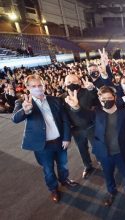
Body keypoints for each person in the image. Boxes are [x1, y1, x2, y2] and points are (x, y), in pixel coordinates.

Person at [66, 86, 125, 206]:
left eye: (109, 98)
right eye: (103, 98)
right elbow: (83, 114)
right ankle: (111, 192)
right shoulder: (96, 112)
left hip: (121, 151)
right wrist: (76, 106)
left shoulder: (124, 112)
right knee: (108, 174)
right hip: (104, 153)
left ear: (114, 97)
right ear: (99, 99)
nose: (106, 100)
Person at [11, 74, 78, 203]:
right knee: (48, 169)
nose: (38, 88)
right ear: (28, 88)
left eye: (40, 85)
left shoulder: (55, 100)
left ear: (44, 85)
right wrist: (24, 111)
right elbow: (15, 119)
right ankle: (53, 189)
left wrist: (66, 138)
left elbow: (65, 120)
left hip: (59, 141)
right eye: (34, 86)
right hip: (42, 145)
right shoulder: (22, 102)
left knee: (63, 164)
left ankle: (64, 180)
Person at [63, 74, 99, 178]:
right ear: (65, 84)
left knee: (96, 146)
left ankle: (102, 161)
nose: (71, 84)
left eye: (74, 81)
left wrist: (92, 89)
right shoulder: (63, 98)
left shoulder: (88, 92)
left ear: (79, 82)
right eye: (69, 82)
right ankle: (87, 165)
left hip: (90, 126)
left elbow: (97, 99)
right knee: (82, 149)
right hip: (76, 129)